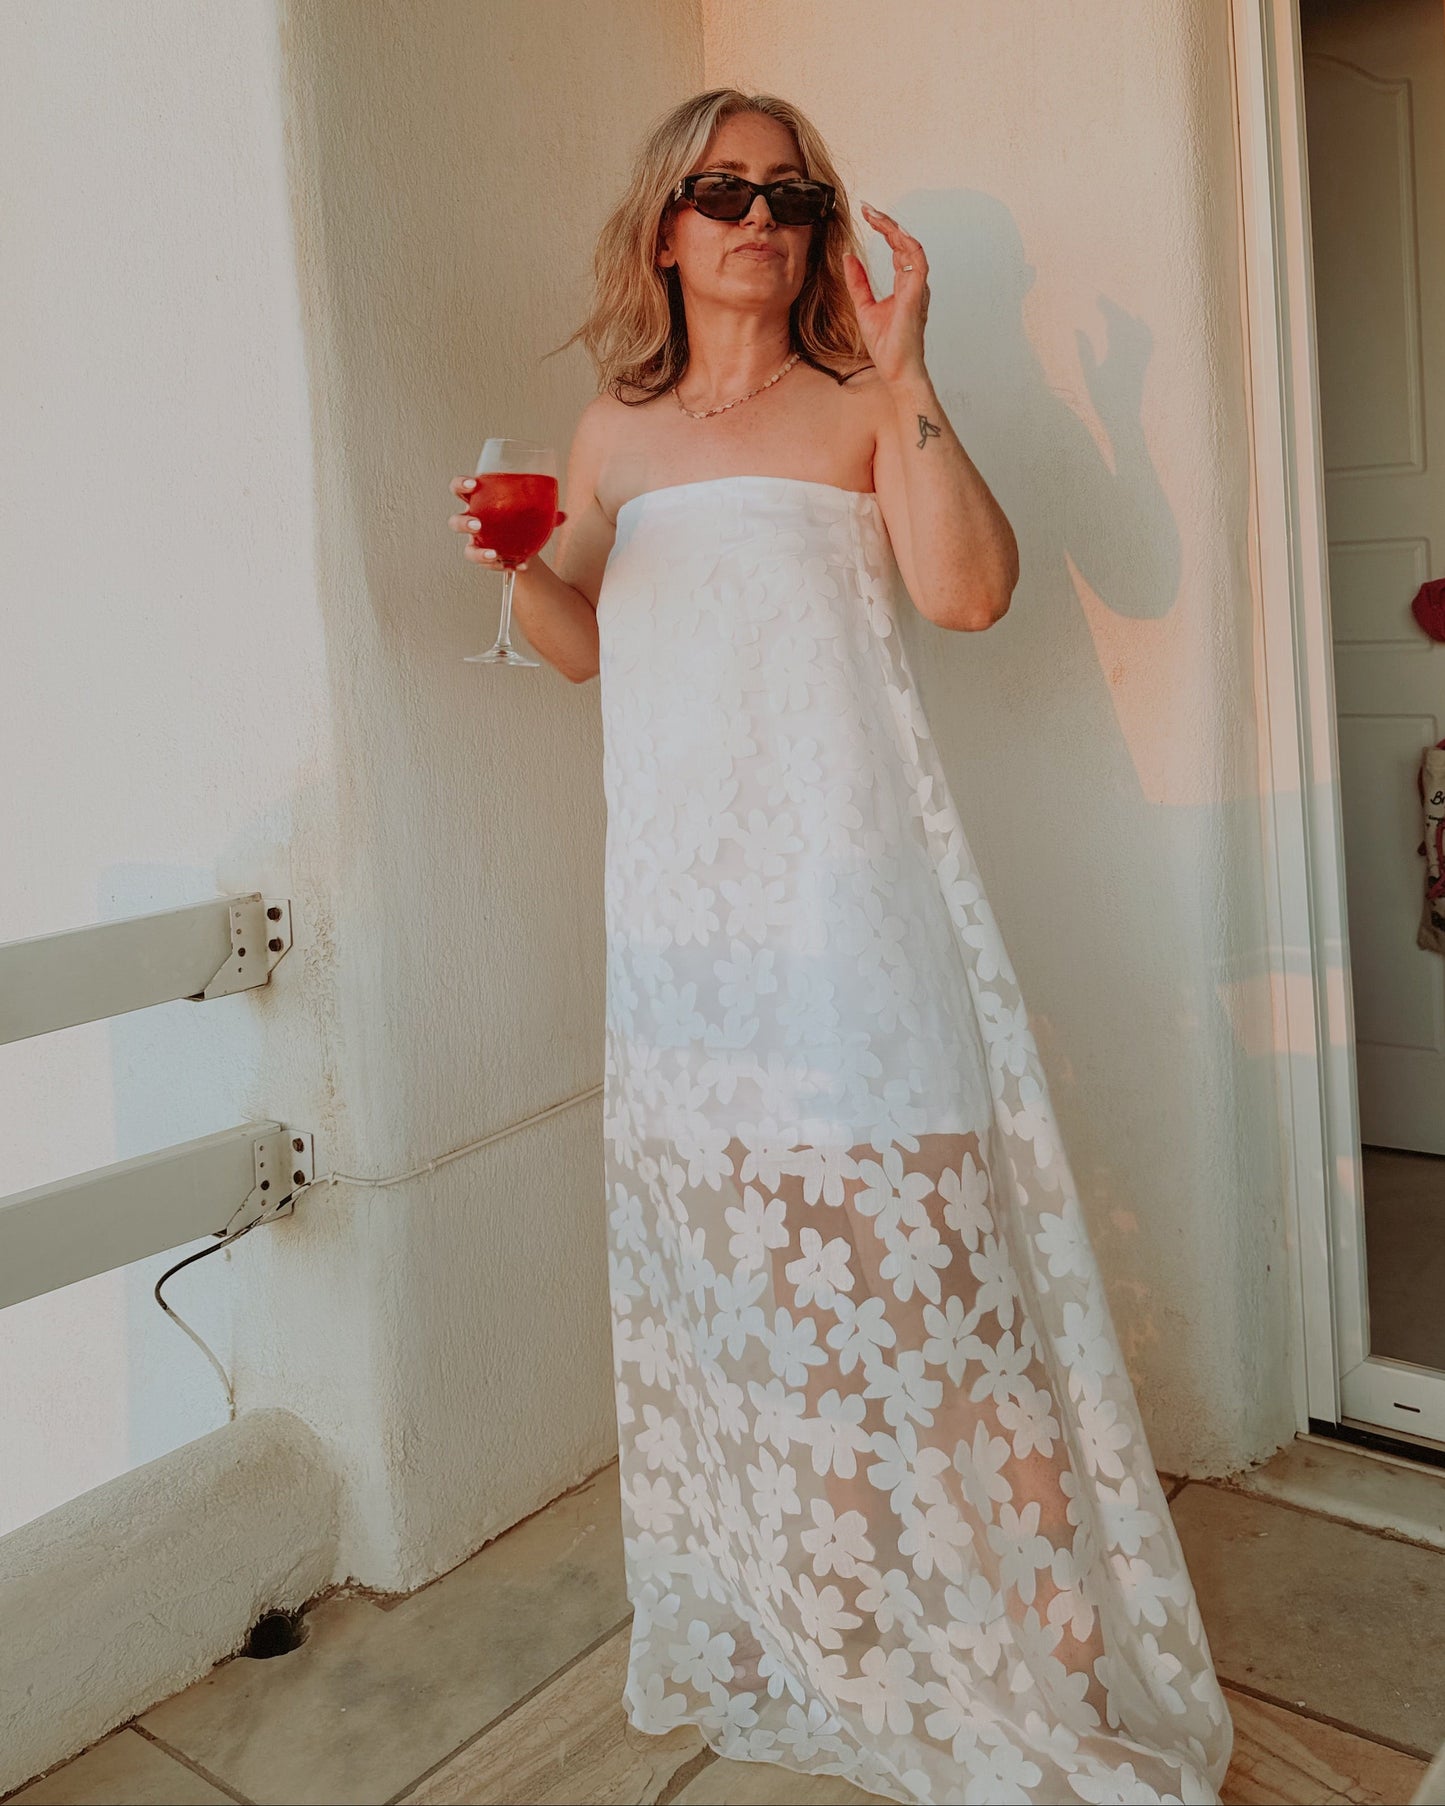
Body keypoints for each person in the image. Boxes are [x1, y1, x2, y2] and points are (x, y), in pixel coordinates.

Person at [448, 87, 1232, 1806]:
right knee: (752, 1288)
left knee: (936, 1283)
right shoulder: (610, 432)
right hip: (690, 930)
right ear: (665, 224)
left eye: (789, 192)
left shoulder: (862, 406)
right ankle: (824, 1616)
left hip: (847, 898)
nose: (759, 217)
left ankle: (1053, 1655)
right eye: (722, 189)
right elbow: (573, 643)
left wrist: (912, 365)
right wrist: (512, 563)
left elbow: (967, 595)